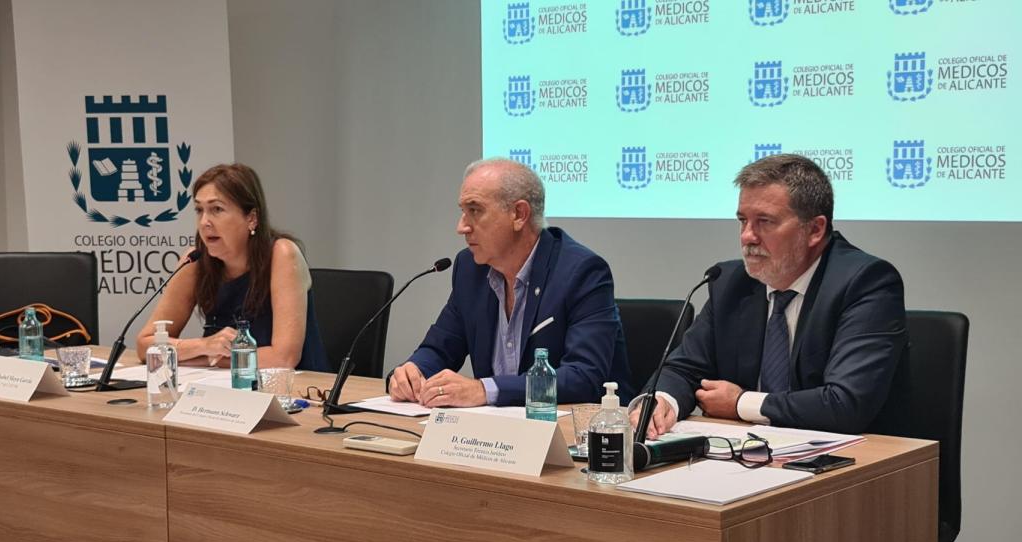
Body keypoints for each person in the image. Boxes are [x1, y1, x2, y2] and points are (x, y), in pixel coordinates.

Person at [634, 154, 907, 436]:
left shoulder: (865, 282)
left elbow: (845, 404)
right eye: (743, 221)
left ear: (815, 229)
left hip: (856, 456)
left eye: (764, 221)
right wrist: (661, 401)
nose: (747, 236)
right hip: (747, 452)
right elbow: (683, 369)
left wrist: (741, 403)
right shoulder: (729, 283)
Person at [388, 158, 632, 408]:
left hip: (577, 427)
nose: (461, 227)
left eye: (475, 210)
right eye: (462, 211)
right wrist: (413, 371)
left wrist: (485, 390)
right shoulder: (470, 269)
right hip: (496, 428)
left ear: (519, 214)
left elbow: (584, 377)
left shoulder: (581, 272)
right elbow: (440, 348)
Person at [135, 163, 329, 372]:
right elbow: (145, 345)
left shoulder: (282, 254)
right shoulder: (195, 261)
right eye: (199, 210)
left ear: (251, 218)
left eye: (217, 209)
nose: (204, 222)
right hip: (221, 384)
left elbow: (283, 358)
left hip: (297, 386)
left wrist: (204, 358)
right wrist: (202, 346)